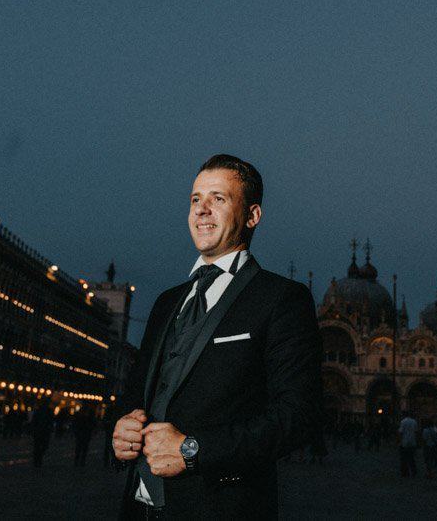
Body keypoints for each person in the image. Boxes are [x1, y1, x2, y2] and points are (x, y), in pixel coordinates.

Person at [112, 154, 322, 519]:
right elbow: (136, 393)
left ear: (253, 216)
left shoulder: (281, 298)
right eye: (196, 199)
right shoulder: (165, 302)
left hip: (220, 508)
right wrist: (121, 427)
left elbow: (297, 416)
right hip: (139, 508)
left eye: (218, 199)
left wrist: (194, 450)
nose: (202, 210)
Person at [30, 402, 55, 467]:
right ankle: (38, 459)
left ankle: (37, 459)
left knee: (38, 446)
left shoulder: (39, 412)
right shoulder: (47, 412)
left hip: (41, 432)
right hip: (43, 432)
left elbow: (33, 421)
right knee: (41, 446)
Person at [398, 411, 418, 477]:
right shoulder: (414, 421)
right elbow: (416, 432)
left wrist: (399, 441)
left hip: (404, 442)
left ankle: (405, 473)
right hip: (413, 442)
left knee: (404, 459)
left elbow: (401, 432)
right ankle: (413, 472)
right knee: (412, 458)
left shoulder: (403, 422)